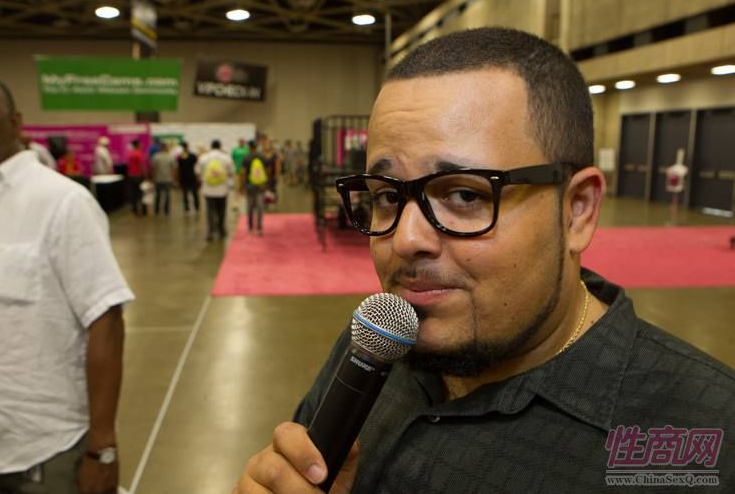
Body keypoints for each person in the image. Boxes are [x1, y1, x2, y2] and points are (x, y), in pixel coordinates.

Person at [233, 28, 735, 493]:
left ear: (577, 210)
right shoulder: (373, 344)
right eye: (387, 196)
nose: (405, 239)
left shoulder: (709, 436)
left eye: (465, 195)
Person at [0, 77, 134, 493]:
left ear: (16, 122)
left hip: (44, 453)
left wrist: (102, 447)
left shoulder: (63, 202)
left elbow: (105, 320)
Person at [196, 139, 233, 240]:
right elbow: (231, 173)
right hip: (223, 189)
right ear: (220, 146)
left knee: (210, 211)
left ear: (211, 146)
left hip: (208, 189)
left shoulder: (203, 157)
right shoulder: (226, 157)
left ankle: (211, 232)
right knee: (221, 210)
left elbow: (198, 172)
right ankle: (221, 230)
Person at [239, 140, 270, 236]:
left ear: (249, 147)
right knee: (260, 206)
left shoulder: (246, 158)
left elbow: (243, 173)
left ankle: (250, 227)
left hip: (249, 184)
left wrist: (241, 186)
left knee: (250, 206)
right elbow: (268, 169)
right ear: (256, 147)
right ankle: (259, 228)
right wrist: (266, 181)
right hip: (260, 184)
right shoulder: (262, 157)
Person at [150, 141, 176, 216]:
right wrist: (174, 179)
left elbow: (153, 168)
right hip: (168, 179)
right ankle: (166, 211)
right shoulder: (170, 156)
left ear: (160, 148)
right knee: (167, 195)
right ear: (166, 148)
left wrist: (152, 178)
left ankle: (157, 210)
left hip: (158, 179)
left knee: (158, 195)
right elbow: (174, 168)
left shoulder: (155, 156)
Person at [177, 141, 199, 213]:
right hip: (192, 176)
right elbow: (196, 163)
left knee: (185, 193)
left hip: (183, 177)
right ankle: (197, 207)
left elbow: (178, 166)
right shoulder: (192, 155)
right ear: (188, 146)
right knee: (194, 193)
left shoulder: (179, 156)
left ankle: (186, 208)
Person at [127, 138, 147, 216]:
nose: (141, 145)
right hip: (138, 175)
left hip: (131, 175)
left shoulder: (130, 154)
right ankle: (143, 210)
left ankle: (135, 209)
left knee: (134, 193)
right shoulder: (139, 153)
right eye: (140, 144)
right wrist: (145, 174)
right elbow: (141, 165)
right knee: (142, 193)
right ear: (137, 145)